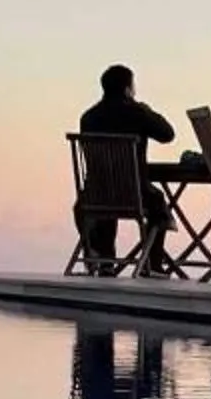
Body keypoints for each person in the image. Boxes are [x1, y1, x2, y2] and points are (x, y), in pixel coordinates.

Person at [76, 64, 178, 274]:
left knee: (106, 201)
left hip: (95, 193)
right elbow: (168, 134)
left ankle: (105, 261)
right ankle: (152, 263)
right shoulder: (137, 112)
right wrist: (147, 110)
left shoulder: (88, 117)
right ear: (127, 88)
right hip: (133, 192)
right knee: (157, 203)